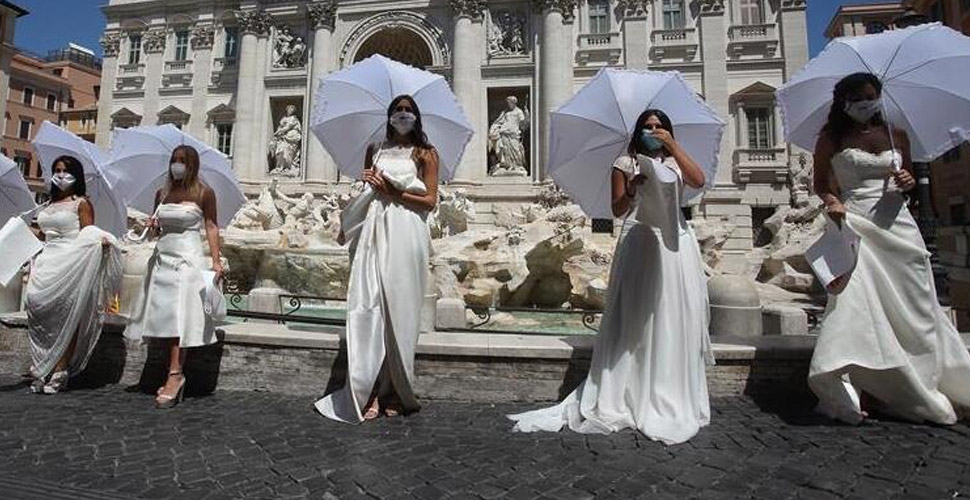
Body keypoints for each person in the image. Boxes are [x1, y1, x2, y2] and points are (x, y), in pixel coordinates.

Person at [508, 109, 714, 445]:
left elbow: (699, 180)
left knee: (675, 314)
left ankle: (671, 390)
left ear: (668, 130)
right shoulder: (624, 163)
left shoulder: (676, 160)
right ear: (637, 131)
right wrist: (632, 189)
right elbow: (617, 209)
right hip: (640, 237)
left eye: (659, 126)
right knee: (636, 314)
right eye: (647, 127)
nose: (653, 130)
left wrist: (673, 147)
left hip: (676, 240)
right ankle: (630, 391)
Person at [808, 72, 970, 425]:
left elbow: (907, 177)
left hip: (898, 226)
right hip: (856, 223)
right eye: (861, 97)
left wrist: (908, 180)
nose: (869, 103)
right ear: (846, 101)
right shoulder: (831, 138)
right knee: (859, 308)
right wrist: (832, 202)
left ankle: (923, 380)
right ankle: (867, 385)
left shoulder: (896, 135)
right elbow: (820, 183)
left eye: (873, 96)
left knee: (917, 306)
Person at [315, 94, 439, 422]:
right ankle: (367, 388)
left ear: (416, 116)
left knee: (400, 310)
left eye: (408, 110)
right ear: (388, 116)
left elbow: (429, 201)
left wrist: (393, 192)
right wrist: (366, 188)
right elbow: (369, 192)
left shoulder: (427, 153)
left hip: (407, 228)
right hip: (374, 226)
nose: (402, 114)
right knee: (369, 305)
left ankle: (396, 390)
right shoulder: (375, 149)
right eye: (397, 110)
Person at [126, 145, 224, 409]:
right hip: (162, 258)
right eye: (173, 160)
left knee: (182, 317)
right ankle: (173, 371)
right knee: (165, 315)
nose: (176, 164)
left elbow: (212, 226)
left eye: (182, 160)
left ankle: (175, 374)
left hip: (188, 258)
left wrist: (215, 261)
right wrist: (152, 226)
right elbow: (159, 231)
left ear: (191, 164)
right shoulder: (162, 193)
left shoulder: (204, 193)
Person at [26, 155, 122, 394]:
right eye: (56, 170)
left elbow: (88, 231)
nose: (60, 174)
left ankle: (60, 368)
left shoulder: (82, 203)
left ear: (76, 176)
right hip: (46, 261)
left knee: (67, 313)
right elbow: (43, 234)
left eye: (65, 171)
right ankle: (42, 364)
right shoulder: (46, 205)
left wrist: (101, 241)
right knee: (38, 310)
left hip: (70, 261)